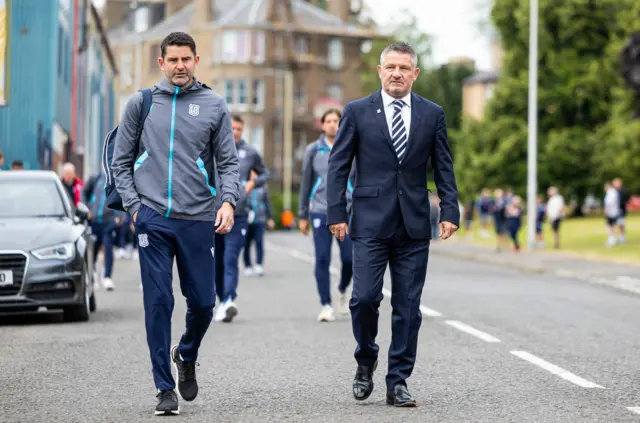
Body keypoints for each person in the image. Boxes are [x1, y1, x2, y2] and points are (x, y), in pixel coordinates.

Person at [111, 32, 240, 416]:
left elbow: (229, 163)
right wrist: (135, 208)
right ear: (161, 63)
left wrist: (229, 202)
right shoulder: (142, 103)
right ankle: (164, 389)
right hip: (152, 216)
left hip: (199, 216)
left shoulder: (214, 104)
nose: (180, 66)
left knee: (203, 302)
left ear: (196, 61)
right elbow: (120, 162)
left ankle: (186, 353)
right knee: (159, 301)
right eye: (173, 60)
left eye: (187, 59)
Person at [326, 41, 460, 407]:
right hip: (368, 221)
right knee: (364, 299)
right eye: (391, 67)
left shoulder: (432, 114)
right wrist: (336, 212)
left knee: (408, 307)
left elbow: (443, 165)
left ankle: (398, 379)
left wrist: (450, 209)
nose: (397, 73)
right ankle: (365, 358)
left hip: (415, 224)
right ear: (380, 71)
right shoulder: (356, 111)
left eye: (404, 68)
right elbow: (338, 165)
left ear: (415, 74)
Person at [298, 108, 355, 322]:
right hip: (320, 210)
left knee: (349, 258)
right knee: (322, 257)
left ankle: (342, 288)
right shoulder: (313, 150)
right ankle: (325, 304)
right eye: (328, 121)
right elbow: (305, 182)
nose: (332, 124)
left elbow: (358, 179)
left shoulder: (351, 147)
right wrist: (303, 214)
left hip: (347, 210)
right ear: (322, 125)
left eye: (336, 120)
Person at [213, 115, 270, 323]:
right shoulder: (214, 148)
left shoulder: (251, 152)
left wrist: (253, 184)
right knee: (216, 261)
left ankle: (229, 300)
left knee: (230, 258)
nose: (235, 132)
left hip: (240, 213)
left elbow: (265, 174)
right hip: (214, 213)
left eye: (238, 129)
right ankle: (222, 300)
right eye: (232, 128)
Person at [83, 167, 118, 291]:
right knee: (93, 249)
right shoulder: (95, 178)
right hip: (93, 222)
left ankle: (107, 276)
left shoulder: (117, 179)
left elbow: (124, 198)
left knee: (108, 248)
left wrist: (119, 217)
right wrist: (87, 209)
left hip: (108, 221)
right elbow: (84, 192)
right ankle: (91, 274)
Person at [243, 171, 275, 277]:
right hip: (246, 219)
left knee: (259, 242)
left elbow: (267, 202)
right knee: (246, 244)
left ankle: (259, 265)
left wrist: (270, 218)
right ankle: (247, 266)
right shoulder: (244, 185)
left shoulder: (263, 187)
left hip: (260, 219)